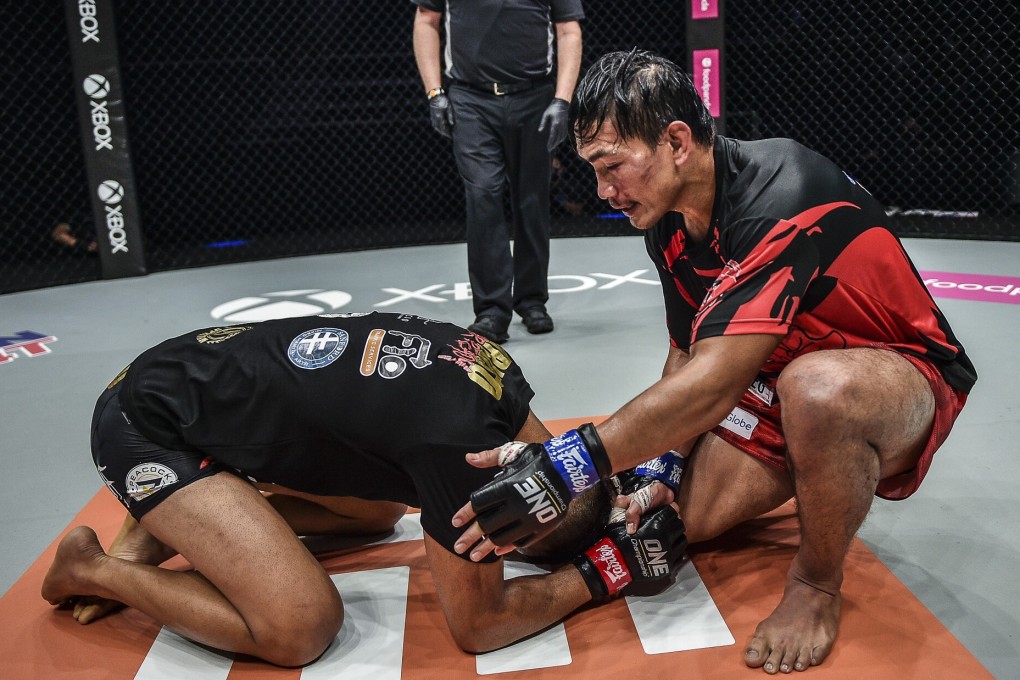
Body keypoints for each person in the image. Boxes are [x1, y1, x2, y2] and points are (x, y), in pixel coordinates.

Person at [450, 50, 977, 675]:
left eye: (614, 166)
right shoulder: (667, 219)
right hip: (772, 378)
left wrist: (566, 463)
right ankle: (786, 469)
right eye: (594, 170)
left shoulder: (782, 194)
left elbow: (711, 384)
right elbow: (686, 351)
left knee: (818, 392)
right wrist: (663, 465)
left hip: (897, 373)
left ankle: (816, 584)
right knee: (667, 519)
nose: (604, 191)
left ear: (676, 141)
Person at [41, 312, 685, 667]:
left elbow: (574, 469)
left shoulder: (498, 373)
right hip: (145, 427)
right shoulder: (462, 461)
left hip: (183, 368)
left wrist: (620, 485)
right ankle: (93, 566)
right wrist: (606, 569)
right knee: (301, 628)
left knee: (379, 514)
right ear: (519, 532)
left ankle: (200, 516)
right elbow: (481, 626)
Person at [411, 0, 584, 343]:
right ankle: (491, 310)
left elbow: (569, 30)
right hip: (471, 98)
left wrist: (562, 101)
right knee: (482, 193)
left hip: (534, 94)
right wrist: (434, 93)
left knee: (532, 199)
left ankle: (532, 299)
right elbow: (425, 21)